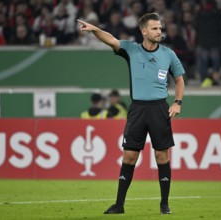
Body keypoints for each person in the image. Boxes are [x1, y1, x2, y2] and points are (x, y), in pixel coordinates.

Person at [77, 12, 185, 215]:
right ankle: (119, 205)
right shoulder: (131, 50)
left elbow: (179, 80)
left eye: (160, 28)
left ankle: (164, 205)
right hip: (137, 109)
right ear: (144, 31)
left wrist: (177, 102)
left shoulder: (169, 54)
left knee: (162, 156)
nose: (159, 31)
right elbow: (111, 40)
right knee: (129, 157)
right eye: (154, 28)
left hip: (159, 109)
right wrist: (96, 30)